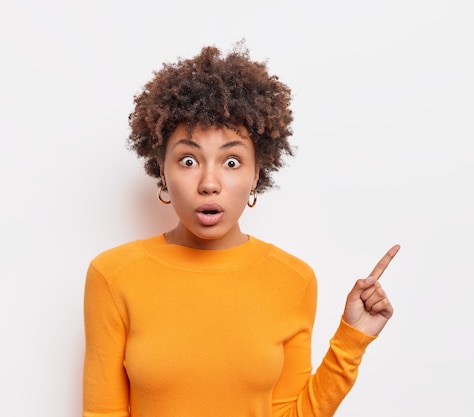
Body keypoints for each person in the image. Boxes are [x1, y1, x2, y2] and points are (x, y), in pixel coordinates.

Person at [82, 41, 400, 417]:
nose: (209, 183)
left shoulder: (293, 280)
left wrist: (352, 340)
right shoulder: (113, 276)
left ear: (256, 175)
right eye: (188, 160)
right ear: (162, 172)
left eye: (232, 161)